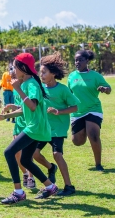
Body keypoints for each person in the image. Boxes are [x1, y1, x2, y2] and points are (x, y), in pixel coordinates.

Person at [0, 53, 58, 204]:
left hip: (35, 127)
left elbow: (33, 106)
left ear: (23, 68)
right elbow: (24, 109)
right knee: (26, 160)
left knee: (9, 152)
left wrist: (18, 89)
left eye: (15, 67)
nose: (13, 70)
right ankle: (50, 187)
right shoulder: (27, 84)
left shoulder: (31, 85)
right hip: (36, 127)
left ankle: (18, 192)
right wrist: (5, 116)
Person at [33, 52, 80, 196]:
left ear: (53, 73)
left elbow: (75, 107)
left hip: (58, 129)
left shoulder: (63, 89)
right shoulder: (40, 88)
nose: (41, 75)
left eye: (44, 72)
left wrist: (58, 111)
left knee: (57, 155)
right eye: (40, 73)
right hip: (44, 128)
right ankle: (51, 167)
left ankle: (69, 186)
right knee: (34, 153)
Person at [68, 50, 111, 171]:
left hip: (93, 109)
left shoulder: (95, 75)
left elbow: (109, 89)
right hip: (77, 112)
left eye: (80, 60)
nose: (77, 62)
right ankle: (85, 129)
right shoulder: (71, 76)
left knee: (93, 135)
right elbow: (68, 95)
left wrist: (105, 89)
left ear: (87, 61)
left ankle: (98, 164)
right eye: (76, 60)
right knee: (77, 141)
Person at [2, 73, 35, 189]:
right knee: (16, 153)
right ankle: (25, 173)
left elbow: (30, 107)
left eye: (15, 77)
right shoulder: (15, 90)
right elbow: (20, 107)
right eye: (12, 78)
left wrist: (6, 116)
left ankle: (31, 177)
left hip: (28, 124)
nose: (13, 80)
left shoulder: (27, 87)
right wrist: (11, 106)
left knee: (27, 154)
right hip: (18, 124)